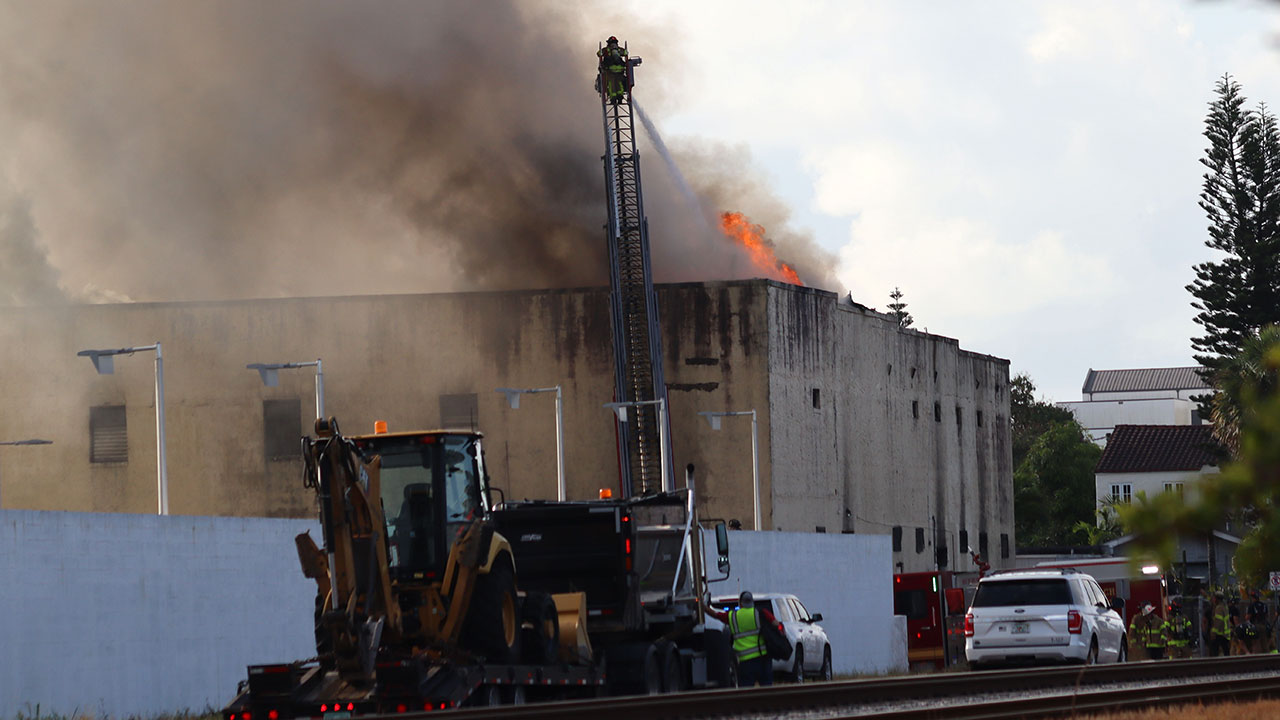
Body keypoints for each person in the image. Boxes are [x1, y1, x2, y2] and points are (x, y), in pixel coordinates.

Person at [703, 591, 779, 687]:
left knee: (746, 691)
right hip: (763, 659)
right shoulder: (761, 613)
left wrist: (702, 607)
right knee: (767, 689)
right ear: (752, 602)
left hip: (745, 662)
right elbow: (776, 624)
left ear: (740, 603)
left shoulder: (733, 616)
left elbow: (716, 615)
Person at [596, 36, 629, 103]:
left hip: (609, 70)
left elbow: (599, 53)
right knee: (619, 83)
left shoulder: (606, 49)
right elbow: (626, 53)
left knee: (611, 84)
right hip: (620, 70)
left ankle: (613, 98)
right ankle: (620, 97)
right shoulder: (619, 49)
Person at [1207, 592, 1231, 657]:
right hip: (1225, 634)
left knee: (1214, 652)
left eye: (1214, 598)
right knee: (1226, 652)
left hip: (1220, 634)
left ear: (1217, 599)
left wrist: (1213, 632)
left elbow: (1218, 622)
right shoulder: (1225, 607)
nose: (1213, 600)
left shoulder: (1219, 608)